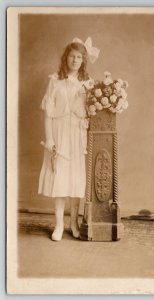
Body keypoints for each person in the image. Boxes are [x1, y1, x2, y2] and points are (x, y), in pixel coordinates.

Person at [38, 37, 100, 241]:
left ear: (83, 61)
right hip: (59, 133)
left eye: (79, 57)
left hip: (77, 135)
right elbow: (48, 113)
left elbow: (91, 112)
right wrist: (49, 139)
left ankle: (73, 223)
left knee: (75, 180)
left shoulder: (88, 83)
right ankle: (58, 225)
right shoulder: (55, 80)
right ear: (66, 58)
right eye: (72, 56)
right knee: (59, 179)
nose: (75, 60)